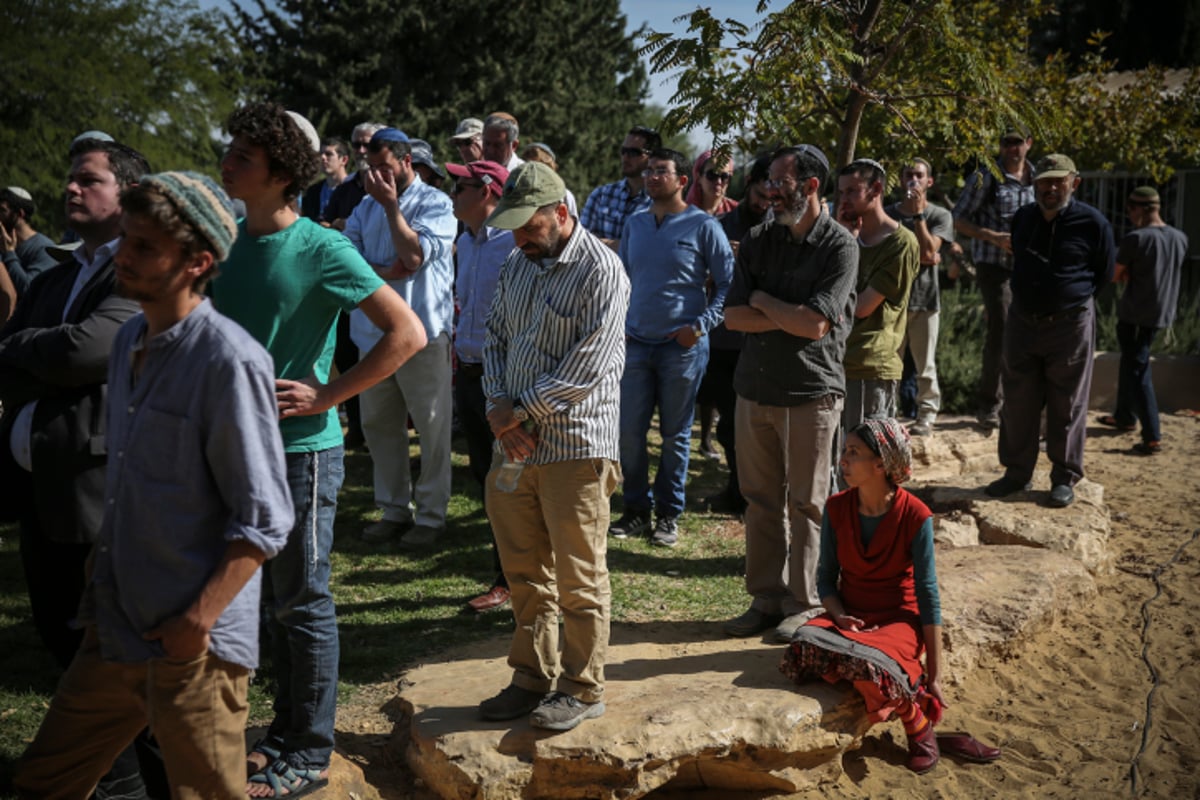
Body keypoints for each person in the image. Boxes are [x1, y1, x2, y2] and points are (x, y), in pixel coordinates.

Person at [13, 172, 294, 800]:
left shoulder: (229, 360)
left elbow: (266, 517)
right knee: (44, 780)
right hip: (116, 626)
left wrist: (196, 621)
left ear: (197, 263)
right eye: (126, 240)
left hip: (194, 648)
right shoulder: (130, 340)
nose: (124, 256)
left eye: (144, 247)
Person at [213, 103, 426, 797]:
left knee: (301, 601)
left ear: (281, 174)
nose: (229, 161)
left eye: (244, 155)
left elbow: (407, 334)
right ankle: (278, 730)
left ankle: (308, 749)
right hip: (227, 449)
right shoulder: (220, 241)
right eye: (232, 150)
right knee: (251, 600)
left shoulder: (322, 247)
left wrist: (329, 395)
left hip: (301, 451)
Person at [0, 137, 160, 799]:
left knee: (118, 665)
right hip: (43, 493)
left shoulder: (139, 268)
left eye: (87, 180)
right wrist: (35, 348)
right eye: (69, 179)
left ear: (126, 196)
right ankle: (116, 781)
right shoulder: (56, 275)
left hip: (101, 497)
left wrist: (26, 346)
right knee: (64, 649)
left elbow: (89, 351)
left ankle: (137, 785)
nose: (71, 189)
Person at [477, 162, 629, 732]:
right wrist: (497, 410)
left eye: (527, 225)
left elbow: (589, 366)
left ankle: (583, 686)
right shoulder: (518, 264)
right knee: (523, 572)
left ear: (561, 213)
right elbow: (493, 337)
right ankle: (531, 677)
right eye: (512, 225)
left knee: (578, 575)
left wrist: (515, 412)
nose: (518, 237)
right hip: (512, 444)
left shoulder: (602, 270)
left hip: (576, 446)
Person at [722, 144, 858, 643]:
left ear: (811, 185)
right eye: (769, 182)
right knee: (759, 500)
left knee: (808, 504)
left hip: (811, 394)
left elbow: (816, 324)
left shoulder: (841, 247)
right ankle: (765, 597)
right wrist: (778, 311)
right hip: (754, 389)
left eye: (780, 182)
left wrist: (762, 300)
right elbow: (732, 316)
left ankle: (804, 604)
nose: (770, 191)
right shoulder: (759, 238)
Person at [780, 419, 950, 774]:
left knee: (869, 667)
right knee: (804, 643)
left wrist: (934, 673)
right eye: (844, 451)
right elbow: (826, 580)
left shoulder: (916, 515)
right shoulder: (837, 507)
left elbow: (928, 594)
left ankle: (916, 723)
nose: (843, 460)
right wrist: (839, 615)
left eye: (853, 453)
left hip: (897, 620)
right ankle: (908, 698)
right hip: (849, 616)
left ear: (881, 464)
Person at [609, 148, 733, 547]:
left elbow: (727, 286)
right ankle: (635, 510)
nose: (651, 177)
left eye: (661, 171)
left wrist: (699, 327)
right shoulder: (636, 224)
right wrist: (622, 325)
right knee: (629, 433)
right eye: (648, 171)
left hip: (682, 348)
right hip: (636, 345)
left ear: (683, 181)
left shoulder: (703, 226)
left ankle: (668, 515)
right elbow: (623, 279)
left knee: (676, 434)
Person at [345, 127, 457, 549]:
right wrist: (384, 270)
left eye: (384, 168)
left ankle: (430, 515)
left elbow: (411, 256)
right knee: (378, 425)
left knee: (431, 427)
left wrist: (392, 208)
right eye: (371, 169)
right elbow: (348, 264)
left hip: (423, 334)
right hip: (372, 335)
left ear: (406, 162)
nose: (376, 177)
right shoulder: (361, 208)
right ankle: (393, 509)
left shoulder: (436, 203)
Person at [985, 154, 1114, 508]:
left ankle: (1064, 477)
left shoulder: (1094, 223)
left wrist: (1071, 303)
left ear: (1075, 182)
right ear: (1034, 184)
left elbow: (1103, 274)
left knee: (1067, 403)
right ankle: (1016, 473)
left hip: (1070, 325)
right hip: (1023, 322)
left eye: (1059, 181)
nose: (1051, 188)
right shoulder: (1024, 218)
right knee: (1017, 401)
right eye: (1044, 181)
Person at [446, 158, 514, 612]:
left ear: (487, 191)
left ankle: (510, 580)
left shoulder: (512, 243)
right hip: (469, 374)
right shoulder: (466, 242)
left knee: (509, 483)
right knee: (485, 479)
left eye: (460, 186)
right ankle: (508, 575)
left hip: (503, 381)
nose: (453, 194)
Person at [702, 154, 773, 514]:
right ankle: (735, 491)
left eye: (771, 196)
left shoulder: (780, 229)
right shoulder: (718, 224)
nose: (765, 203)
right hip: (723, 339)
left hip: (761, 341)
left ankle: (754, 497)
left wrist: (747, 256)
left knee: (756, 429)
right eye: (761, 194)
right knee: (728, 425)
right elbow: (700, 277)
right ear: (749, 187)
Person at [952, 127, 1036, 428]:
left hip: (1029, 267)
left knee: (1029, 333)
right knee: (1000, 330)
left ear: (1029, 144)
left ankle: (1021, 403)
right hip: (994, 266)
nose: (1012, 149)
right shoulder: (985, 177)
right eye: (1006, 143)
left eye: (1017, 143)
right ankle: (989, 405)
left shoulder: (1038, 179)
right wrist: (992, 237)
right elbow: (958, 219)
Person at [1100, 186, 1188, 455]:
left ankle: (1152, 436)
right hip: (1162, 315)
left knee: (1139, 371)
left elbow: (1114, 275)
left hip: (1136, 314)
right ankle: (1124, 416)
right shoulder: (1179, 237)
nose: (1129, 216)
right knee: (1131, 362)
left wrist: (1127, 273)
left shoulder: (1136, 238)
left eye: (1130, 210)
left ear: (1137, 208)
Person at [837, 159, 919, 437]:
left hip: (870, 366)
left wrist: (847, 246)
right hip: (835, 362)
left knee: (864, 461)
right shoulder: (845, 236)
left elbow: (860, 308)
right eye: (841, 192)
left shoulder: (902, 243)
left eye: (851, 191)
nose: (844, 200)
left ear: (876, 189)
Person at [884, 158, 954, 436]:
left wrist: (917, 216)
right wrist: (924, 256)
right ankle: (887, 414)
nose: (914, 180)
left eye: (919, 175)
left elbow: (927, 253)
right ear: (901, 180)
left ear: (929, 181)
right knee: (889, 364)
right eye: (909, 174)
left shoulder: (939, 215)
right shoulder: (887, 213)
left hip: (925, 301)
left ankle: (926, 415)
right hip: (890, 302)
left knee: (925, 365)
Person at [686, 149, 739, 459]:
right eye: (712, 175)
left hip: (722, 306)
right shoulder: (685, 213)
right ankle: (703, 437)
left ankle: (713, 438)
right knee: (702, 382)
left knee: (720, 372)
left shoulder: (735, 214)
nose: (718, 182)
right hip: (691, 304)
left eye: (725, 177)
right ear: (698, 176)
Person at [579, 125, 660, 248]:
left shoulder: (659, 203)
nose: (625, 157)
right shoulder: (600, 195)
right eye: (623, 151)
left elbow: (650, 250)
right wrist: (625, 246)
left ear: (652, 158)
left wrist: (600, 244)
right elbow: (581, 242)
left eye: (633, 152)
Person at [1, 186, 59, 297]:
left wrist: (9, 254)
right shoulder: (2, 242)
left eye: (2, 210)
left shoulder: (44, 248)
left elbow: (29, 289)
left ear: (19, 214)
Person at [301, 137, 350, 221]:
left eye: (329, 154)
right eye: (321, 153)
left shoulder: (354, 190)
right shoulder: (313, 191)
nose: (323, 157)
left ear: (344, 160)